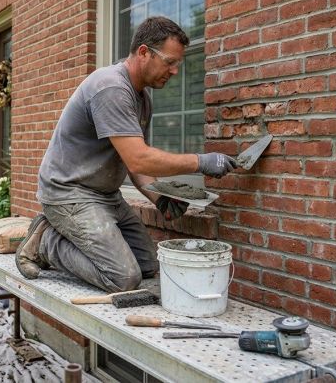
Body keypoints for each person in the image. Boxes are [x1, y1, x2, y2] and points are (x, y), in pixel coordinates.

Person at [16, 16, 237, 293]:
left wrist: (159, 197)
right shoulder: (111, 88)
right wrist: (201, 162)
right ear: (144, 52)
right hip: (68, 192)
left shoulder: (142, 99)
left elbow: (132, 160)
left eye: (177, 64)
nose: (175, 71)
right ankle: (47, 241)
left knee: (146, 265)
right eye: (170, 62)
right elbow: (139, 158)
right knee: (124, 278)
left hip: (104, 196)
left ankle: (58, 235)